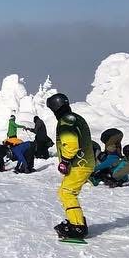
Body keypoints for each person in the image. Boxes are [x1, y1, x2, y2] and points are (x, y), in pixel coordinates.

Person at [47, 93, 93, 240]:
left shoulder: (65, 120)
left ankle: (77, 226)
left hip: (79, 163)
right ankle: (76, 221)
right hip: (84, 162)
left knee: (67, 192)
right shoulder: (76, 118)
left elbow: (72, 144)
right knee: (64, 192)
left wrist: (65, 161)